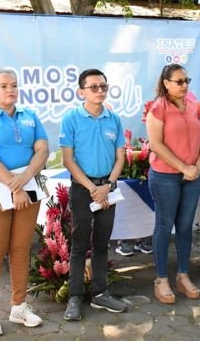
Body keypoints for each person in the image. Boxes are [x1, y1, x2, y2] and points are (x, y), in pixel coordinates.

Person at [0, 69, 47, 336]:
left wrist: (24, 179)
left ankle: (19, 306)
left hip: (27, 189)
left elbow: (42, 150)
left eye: (14, 85)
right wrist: (15, 186)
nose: (10, 90)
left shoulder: (30, 115)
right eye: (3, 86)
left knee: (21, 249)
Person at [60, 68, 128, 321]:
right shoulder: (71, 119)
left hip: (108, 188)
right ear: (81, 92)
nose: (100, 91)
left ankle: (100, 293)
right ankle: (75, 297)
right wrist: (92, 189)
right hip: (83, 189)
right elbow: (68, 160)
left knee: (102, 242)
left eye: (103, 86)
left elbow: (120, 156)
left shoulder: (114, 118)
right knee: (79, 245)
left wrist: (108, 186)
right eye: (94, 87)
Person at [145, 64, 200, 304]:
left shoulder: (196, 107)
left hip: (192, 177)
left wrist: (197, 167)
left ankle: (183, 275)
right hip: (165, 177)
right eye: (179, 81)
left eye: (187, 80)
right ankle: (161, 279)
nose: (185, 85)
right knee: (164, 226)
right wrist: (184, 168)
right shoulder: (157, 109)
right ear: (166, 83)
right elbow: (156, 145)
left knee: (185, 227)